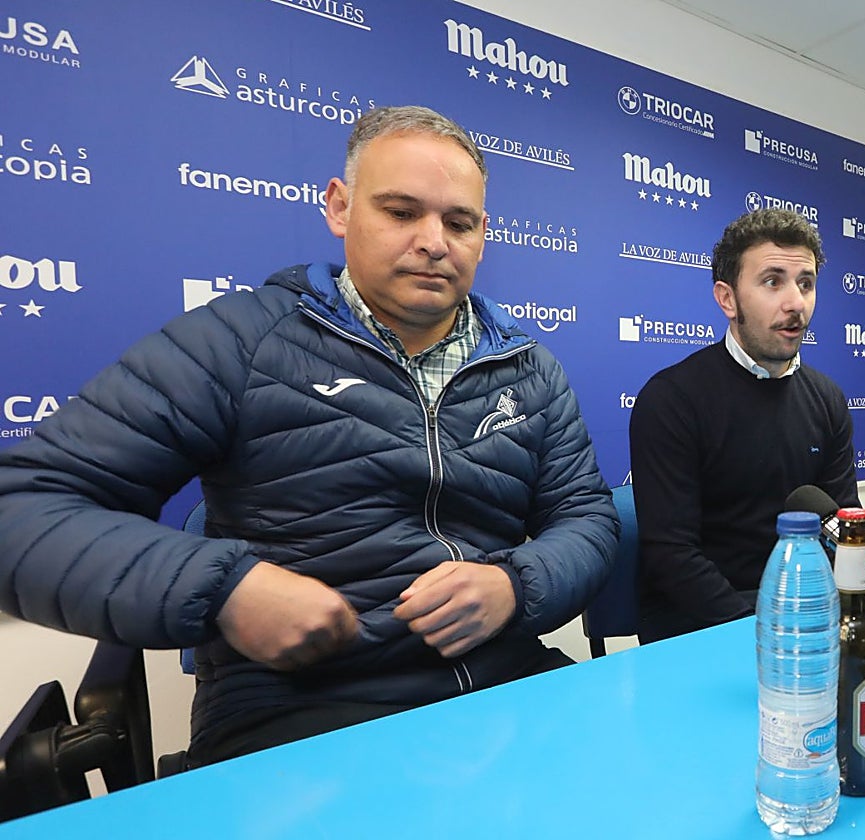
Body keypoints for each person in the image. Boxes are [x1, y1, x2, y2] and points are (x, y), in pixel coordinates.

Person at [0, 106, 617, 765]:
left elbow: (586, 519)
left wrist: (517, 585)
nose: (434, 241)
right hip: (302, 710)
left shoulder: (530, 367)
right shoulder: (238, 341)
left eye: (458, 222)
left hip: (504, 685)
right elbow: (22, 513)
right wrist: (223, 588)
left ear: (483, 234)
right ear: (340, 208)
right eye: (402, 212)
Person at [629, 208, 858, 643]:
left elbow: (841, 531)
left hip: (801, 620)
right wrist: (759, 633)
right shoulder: (671, 400)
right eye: (773, 281)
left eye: (805, 284)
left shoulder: (828, 400)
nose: (795, 302)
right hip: (701, 630)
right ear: (727, 298)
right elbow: (673, 556)